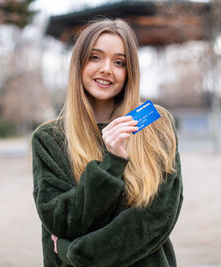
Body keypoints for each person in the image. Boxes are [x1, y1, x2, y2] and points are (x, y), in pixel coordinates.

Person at [32, 18, 183, 267]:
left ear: (130, 71)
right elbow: (60, 222)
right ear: (79, 63)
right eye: (95, 57)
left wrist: (75, 253)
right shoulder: (49, 139)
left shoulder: (156, 124)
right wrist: (112, 163)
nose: (106, 69)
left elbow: (157, 218)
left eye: (119, 62)